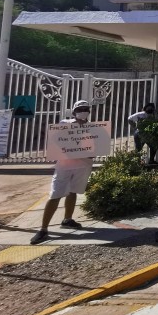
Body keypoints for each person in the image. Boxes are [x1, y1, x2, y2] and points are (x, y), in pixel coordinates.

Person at [30, 100, 95, 244]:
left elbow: (95, 146)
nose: (83, 110)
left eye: (86, 108)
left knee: (73, 192)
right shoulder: (65, 124)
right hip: (64, 166)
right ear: (74, 111)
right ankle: (43, 229)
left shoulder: (93, 128)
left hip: (83, 165)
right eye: (80, 108)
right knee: (55, 194)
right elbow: (56, 141)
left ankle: (67, 219)